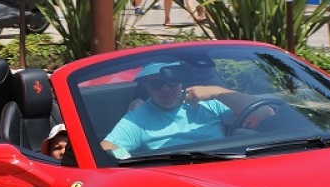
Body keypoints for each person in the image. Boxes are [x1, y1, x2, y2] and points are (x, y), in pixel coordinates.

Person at [100, 61, 266, 158]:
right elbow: (106, 147)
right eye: (157, 84)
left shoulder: (209, 101)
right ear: (146, 86)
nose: (166, 89)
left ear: (181, 80)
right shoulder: (139, 118)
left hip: (225, 168)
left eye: (171, 81)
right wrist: (135, 161)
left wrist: (217, 92)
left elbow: (265, 113)